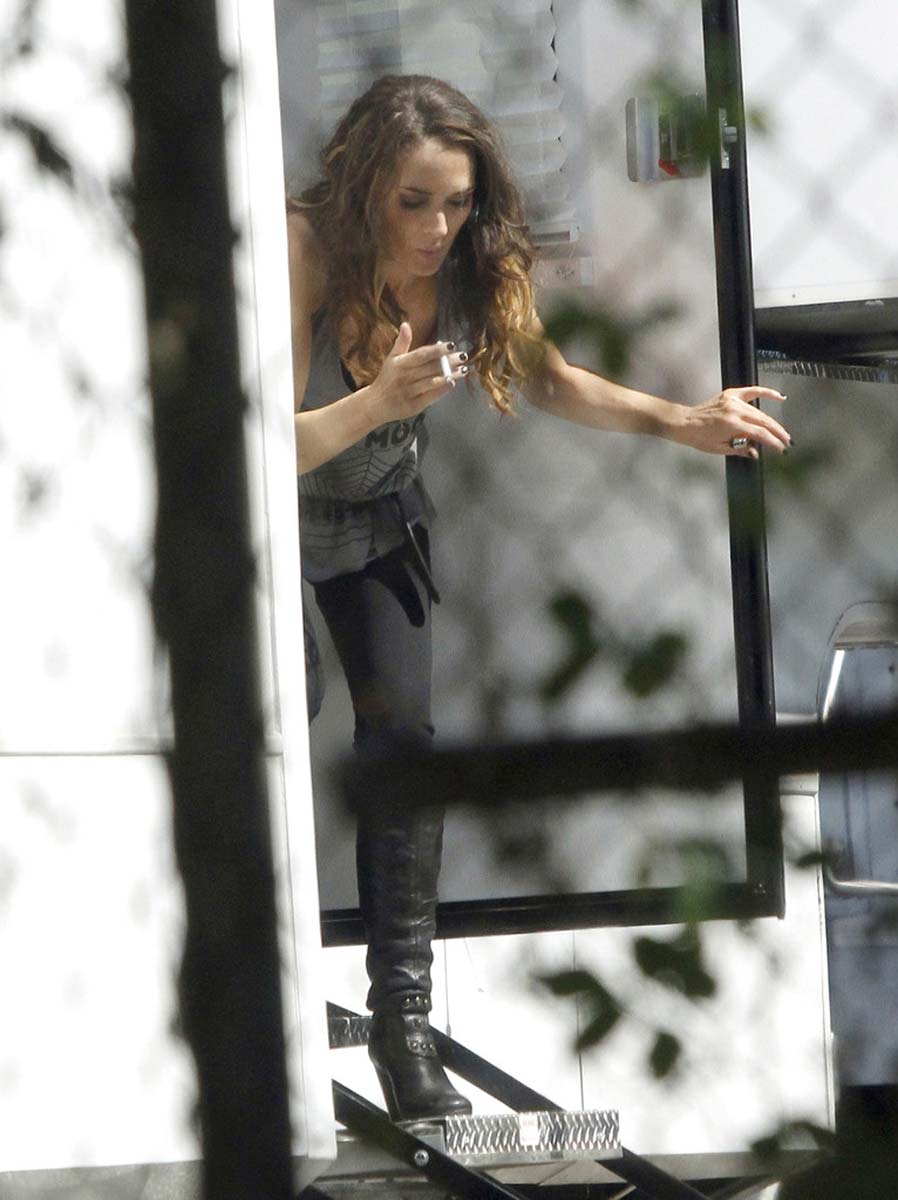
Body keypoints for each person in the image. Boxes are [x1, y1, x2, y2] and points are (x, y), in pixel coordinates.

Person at [287, 74, 790, 1123]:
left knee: (404, 747)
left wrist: (683, 420)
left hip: (378, 518)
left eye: (456, 202)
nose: (436, 228)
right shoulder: (308, 253)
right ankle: (265, 983)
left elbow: (548, 377)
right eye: (413, 202)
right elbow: (268, 447)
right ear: (366, 187)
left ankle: (402, 1026)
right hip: (278, 517)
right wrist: (377, 401)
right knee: (286, 717)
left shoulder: (469, 267)